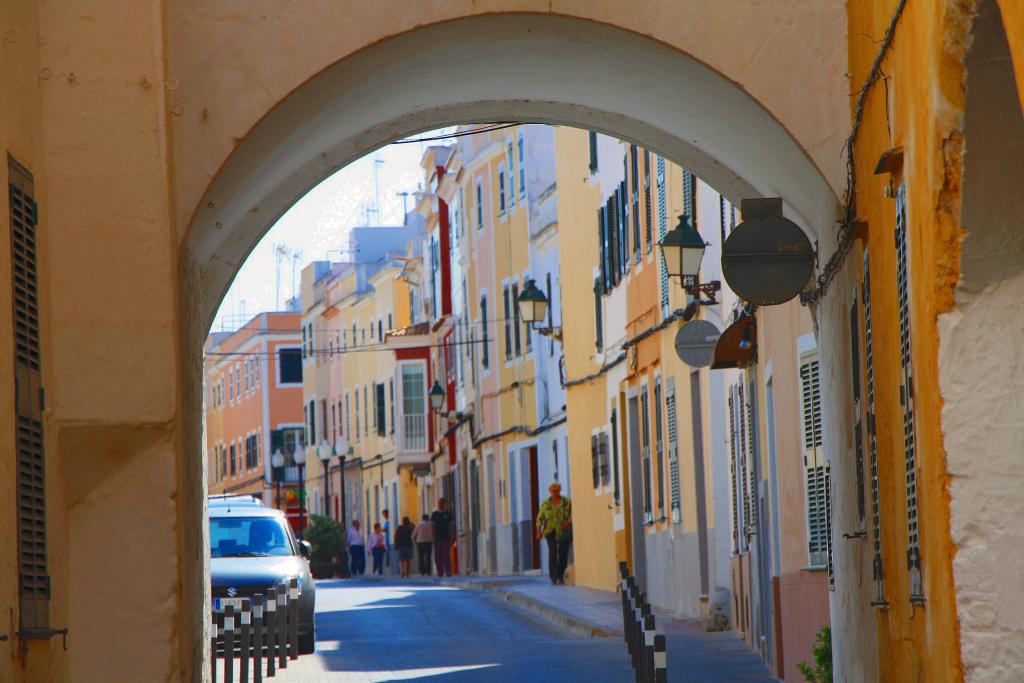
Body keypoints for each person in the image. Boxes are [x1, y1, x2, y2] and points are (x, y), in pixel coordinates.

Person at [536, 481, 572, 585]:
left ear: (560, 490)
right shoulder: (546, 503)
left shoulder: (566, 501)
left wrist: (567, 521)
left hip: (563, 530)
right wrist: (539, 531)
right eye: (553, 490)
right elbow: (540, 517)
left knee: (563, 553)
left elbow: (572, 514)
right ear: (550, 491)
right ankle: (554, 576)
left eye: (557, 490)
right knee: (552, 553)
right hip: (550, 531)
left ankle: (561, 575)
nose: (555, 492)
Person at [431, 498, 455, 577]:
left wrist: (452, 537)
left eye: (442, 503)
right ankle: (440, 571)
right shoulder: (435, 514)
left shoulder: (448, 514)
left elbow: (451, 526)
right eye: (439, 503)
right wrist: (433, 537)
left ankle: (448, 571)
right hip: (437, 537)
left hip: (446, 537)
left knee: (446, 554)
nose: (440, 504)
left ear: (444, 504)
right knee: (438, 555)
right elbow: (432, 526)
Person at [381, 508, 392, 574]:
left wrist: (383, 529)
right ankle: (388, 568)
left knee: (388, 554)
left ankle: (389, 568)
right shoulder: (386, 521)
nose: (384, 516)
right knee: (387, 554)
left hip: (389, 540)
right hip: (387, 540)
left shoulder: (389, 521)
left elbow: (387, 529)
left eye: (384, 514)